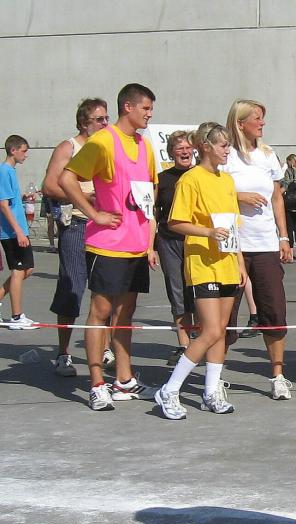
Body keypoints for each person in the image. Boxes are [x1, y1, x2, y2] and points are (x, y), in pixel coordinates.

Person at [59, 83, 159, 411]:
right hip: (107, 246)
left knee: (125, 313)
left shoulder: (144, 145)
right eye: (145, 108)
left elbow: (150, 191)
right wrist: (95, 214)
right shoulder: (104, 141)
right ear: (128, 107)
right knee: (100, 313)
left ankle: (124, 380)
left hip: (136, 245)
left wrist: (149, 238)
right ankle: (97, 383)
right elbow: (67, 179)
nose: (149, 114)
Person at [155, 122, 247, 420]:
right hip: (202, 264)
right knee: (210, 331)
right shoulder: (190, 179)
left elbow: (233, 228)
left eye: (228, 145)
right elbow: (175, 222)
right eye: (223, 145)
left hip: (227, 264)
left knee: (221, 331)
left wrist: (240, 264)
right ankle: (169, 389)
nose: (227, 150)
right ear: (205, 146)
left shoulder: (227, 180)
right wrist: (207, 232)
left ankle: (211, 391)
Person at [221, 99, 293, 401]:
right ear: (241, 123)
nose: (262, 123)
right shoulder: (225, 155)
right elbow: (212, 191)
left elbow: (277, 198)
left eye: (263, 118)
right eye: (257, 118)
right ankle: (215, 376)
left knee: (274, 309)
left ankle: (277, 375)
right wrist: (239, 196)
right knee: (225, 314)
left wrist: (283, 237)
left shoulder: (267, 155)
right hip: (230, 244)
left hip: (265, 244)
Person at [43, 98, 111, 376]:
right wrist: (84, 197)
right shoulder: (69, 147)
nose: (105, 123)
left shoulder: (108, 146)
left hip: (105, 227)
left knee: (106, 288)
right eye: (99, 119)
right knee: (72, 286)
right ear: (84, 122)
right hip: (78, 225)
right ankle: (64, 353)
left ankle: (104, 348)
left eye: (107, 118)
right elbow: (50, 186)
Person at [154, 131, 195, 366]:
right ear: (171, 152)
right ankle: (184, 345)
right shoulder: (162, 179)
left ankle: (203, 342)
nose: (185, 152)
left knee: (200, 291)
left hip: (197, 241)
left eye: (188, 148)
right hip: (169, 241)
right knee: (176, 291)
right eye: (180, 148)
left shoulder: (201, 176)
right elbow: (153, 212)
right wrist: (151, 247)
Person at [0, 135, 37, 329]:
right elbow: (3, 205)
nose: (26, 155)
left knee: (27, 269)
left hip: (18, 229)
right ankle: (16, 317)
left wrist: (23, 197)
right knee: (19, 270)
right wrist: (18, 232)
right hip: (12, 232)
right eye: (24, 151)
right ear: (13, 150)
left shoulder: (10, 171)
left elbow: (10, 199)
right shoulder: (4, 171)